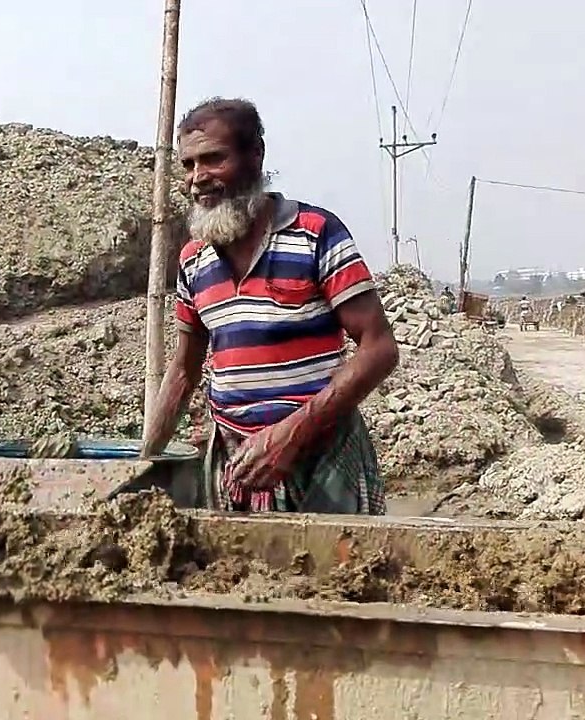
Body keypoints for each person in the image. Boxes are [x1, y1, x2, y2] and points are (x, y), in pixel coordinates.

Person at [140, 97, 399, 515]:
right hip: (236, 465)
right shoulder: (193, 260)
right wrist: (142, 459)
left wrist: (290, 435)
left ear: (255, 155)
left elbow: (379, 348)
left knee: (333, 578)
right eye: (188, 165)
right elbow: (184, 369)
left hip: (320, 458)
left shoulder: (316, 234)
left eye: (213, 159)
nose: (197, 178)